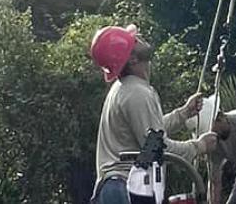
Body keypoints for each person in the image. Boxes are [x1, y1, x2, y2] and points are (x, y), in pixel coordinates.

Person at [89, 24, 218, 204]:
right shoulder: (137, 94)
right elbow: (157, 148)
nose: (140, 36)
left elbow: (150, 133)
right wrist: (199, 146)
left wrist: (183, 113)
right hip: (126, 188)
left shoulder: (125, 89)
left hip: (118, 188)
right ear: (132, 59)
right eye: (134, 40)